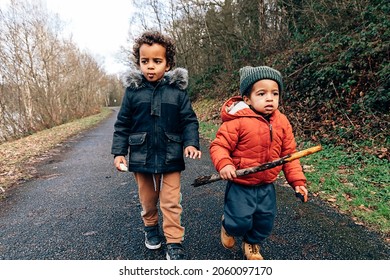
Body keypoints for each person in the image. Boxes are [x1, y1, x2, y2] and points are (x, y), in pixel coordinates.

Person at [111, 31, 201, 260]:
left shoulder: (177, 91)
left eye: (157, 61)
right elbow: (122, 124)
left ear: (168, 64)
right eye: (145, 61)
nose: (150, 67)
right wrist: (119, 152)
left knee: (171, 201)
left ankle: (174, 241)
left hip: (171, 155)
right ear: (139, 62)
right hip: (141, 156)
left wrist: (190, 143)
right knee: (148, 199)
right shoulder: (132, 92)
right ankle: (151, 228)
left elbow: (189, 120)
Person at [209, 66, 308, 260]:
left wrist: (297, 182)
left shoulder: (282, 122)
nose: (270, 98)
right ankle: (228, 226)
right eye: (262, 93)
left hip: (266, 185)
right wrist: (225, 164)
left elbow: (289, 155)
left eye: (275, 93)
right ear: (247, 99)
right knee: (239, 221)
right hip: (241, 185)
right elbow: (219, 146)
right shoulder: (237, 121)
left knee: (264, 221)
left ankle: (252, 244)